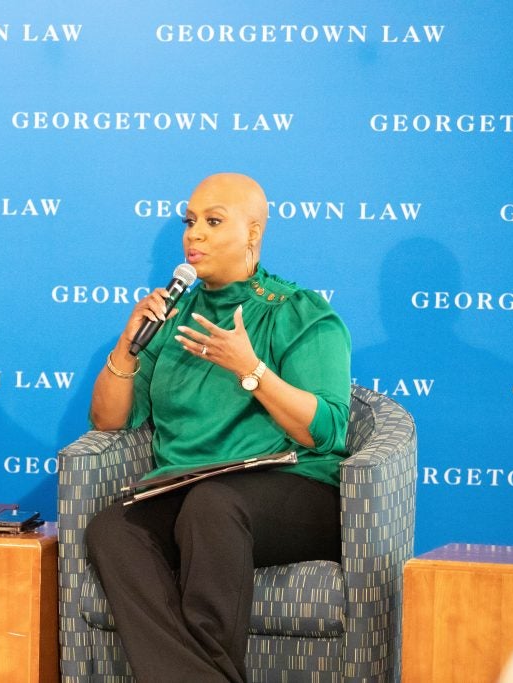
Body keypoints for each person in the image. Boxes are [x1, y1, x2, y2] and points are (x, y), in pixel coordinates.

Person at [85, 173, 351, 682]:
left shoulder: (297, 312)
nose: (194, 235)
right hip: (191, 489)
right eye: (190, 222)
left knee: (213, 505)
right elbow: (109, 419)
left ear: (253, 234)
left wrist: (250, 369)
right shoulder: (172, 315)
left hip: (296, 487)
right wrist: (127, 343)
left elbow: (327, 430)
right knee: (113, 529)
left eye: (213, 221)